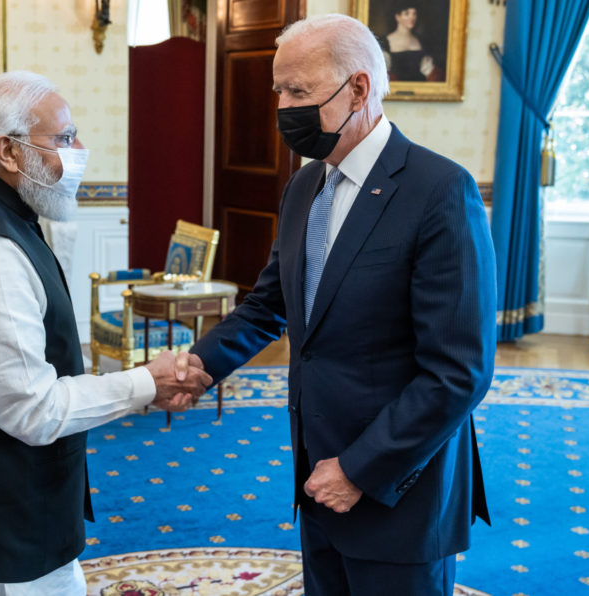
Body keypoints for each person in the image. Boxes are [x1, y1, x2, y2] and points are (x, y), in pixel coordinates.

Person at [187, 14, 495, 595]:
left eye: (298, 92)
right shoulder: (304, 186)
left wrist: (359, 468)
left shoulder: (439, 190)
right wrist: (199, 365)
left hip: (396, 484)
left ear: (358, 88)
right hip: (316, 478)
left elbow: (459, 372)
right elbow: (269, 305)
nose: (281, 107)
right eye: (278, 89)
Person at [0, 70, 211, 595]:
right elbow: (30, 408)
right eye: (64, 138)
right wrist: (147, 382)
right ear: (8, 152)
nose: (80, 151)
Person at [378, 2, 443, 82]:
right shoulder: (385, 42)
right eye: (407, 14)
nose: (412, 17)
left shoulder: (422, 41)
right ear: (398, 17)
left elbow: (434, 77)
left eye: (414, 14)